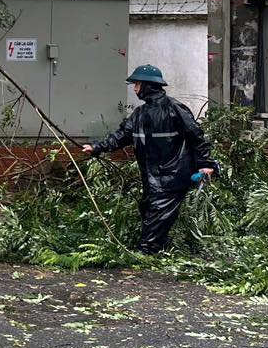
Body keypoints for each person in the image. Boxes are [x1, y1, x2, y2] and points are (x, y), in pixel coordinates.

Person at [81, 64, 217, 254]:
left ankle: (145, 254)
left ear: (148, 85)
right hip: (152, 175)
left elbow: (197, 137)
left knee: (157, 214)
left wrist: (206, 164)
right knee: (148, 208)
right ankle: (158, 249)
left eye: (137, 84)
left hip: (173, 174)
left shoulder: (174, 108)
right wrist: (97, 147)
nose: (135, 89)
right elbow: (122, 135)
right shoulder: (139, 114)